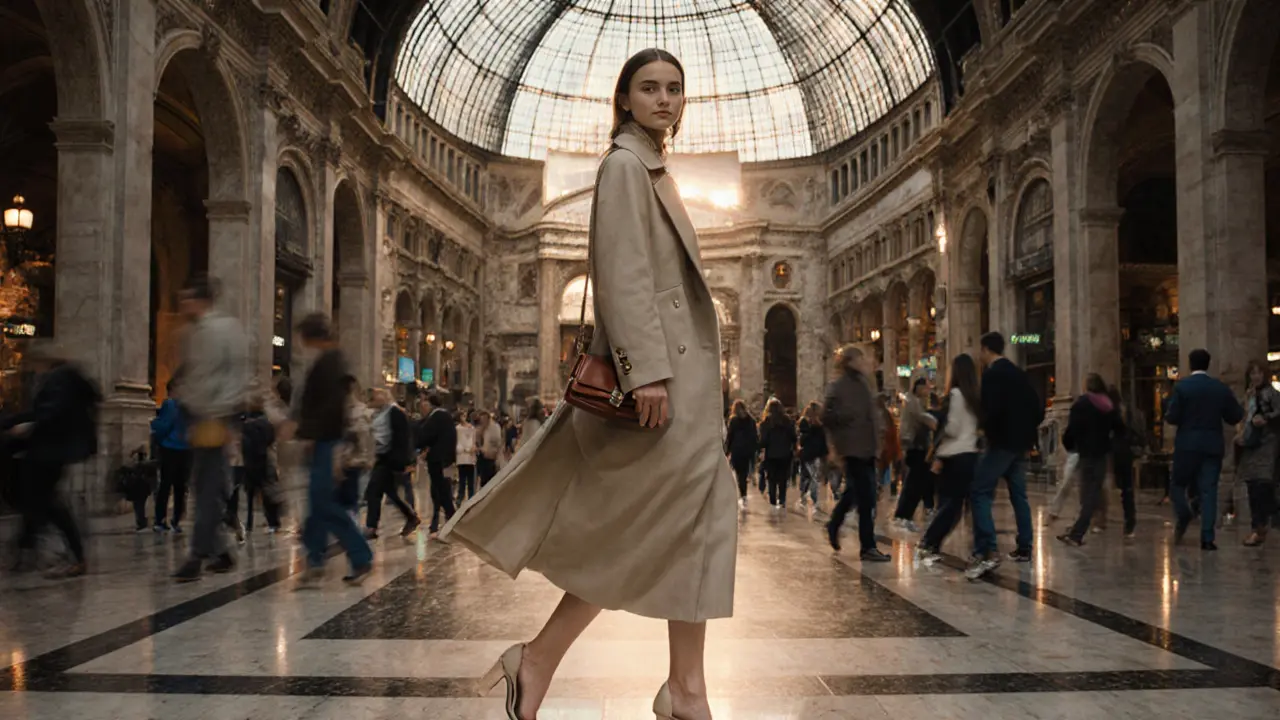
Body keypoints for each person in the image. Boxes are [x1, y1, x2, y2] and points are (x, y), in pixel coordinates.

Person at [442, 49, 735, 720]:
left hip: (684, 385)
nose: (665, 99)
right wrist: (647, 373)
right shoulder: (625, 166)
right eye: (650, 88)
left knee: (695, 521)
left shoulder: (653, 168)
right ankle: (545, 659)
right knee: (648, 527)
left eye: (674, 90)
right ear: (624, 100)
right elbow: (622, 271)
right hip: (664, 384)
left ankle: (683, 687)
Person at [171, 275, 248, 582]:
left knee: (206, 490)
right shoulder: (190, 333)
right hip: (198, 418)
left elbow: (235, 376)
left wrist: (226, 418)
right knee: (204, 486)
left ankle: (196, 556)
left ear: (201, 300)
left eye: (186, 299)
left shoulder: (226, 330)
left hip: (217, 418)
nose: (182, 305)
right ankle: (222, 551)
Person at [290, 313, 373, 586]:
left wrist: (310, 434)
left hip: (325, 441)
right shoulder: (329, 361)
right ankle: (315, 561)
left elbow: (330, 407)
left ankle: (360, 556)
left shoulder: (332, 362)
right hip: (321, 440)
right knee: (316, 505)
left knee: (324, 503)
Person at [6, 340, 100, 578]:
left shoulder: (60, 378)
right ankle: (26, 549)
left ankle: (76, 556)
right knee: (37, 499)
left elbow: (53, 411)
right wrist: (11, 422)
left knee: (48, 503)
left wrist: (31, 424)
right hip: (50, 448)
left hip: (52, 449)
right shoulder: (57, 377)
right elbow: (42, 410)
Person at [967, 331, 1042, 581]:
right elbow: (1037, 407)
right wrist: (1026, 431)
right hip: (1021, 444)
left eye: (981, 350)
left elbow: (991, 410)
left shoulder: (992, 375)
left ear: (986, 350)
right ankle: (1025, 547)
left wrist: (987, 432)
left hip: (1001, 443)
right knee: (1018, 494)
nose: (980, 355)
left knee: (979, 490)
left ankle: (986, 549)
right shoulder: (1019, 373)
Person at [1164, 348, 1244, 550]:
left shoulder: (1182, 387)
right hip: (1211, 445)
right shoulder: (1219, 388)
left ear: (1190, 364)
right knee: (1209, 490)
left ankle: (1184, 514)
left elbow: (1172, 417)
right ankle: (1207, 538)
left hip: (1187, 445)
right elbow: (1234, 415)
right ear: (1208, 364)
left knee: (1177, 485)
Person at [823, 344, 891, 562]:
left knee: (854, 493)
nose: (864, 363)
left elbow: (870, 415)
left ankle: (834, 523)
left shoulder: (863, 384)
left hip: (867, 448)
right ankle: (868, 546)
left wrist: (878, 437)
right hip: (852, 447)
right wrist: (848, 420)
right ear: (849, 361)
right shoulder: (838, 385)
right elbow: (827, 416)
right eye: (860, 359)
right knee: (867, 498)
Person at [915, 354, 982, 565]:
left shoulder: (954, 394)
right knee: (959, 506)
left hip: (953, 456)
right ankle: (936, 543)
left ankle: (928, 542)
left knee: (948, 505)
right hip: (971, 456)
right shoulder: (975, 397)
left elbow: (951, 428)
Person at [1057, 374, 1125, 546]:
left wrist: (1070, 445)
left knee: (1089, 495)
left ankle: (1076, 533)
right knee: (1092, 493)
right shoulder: (1108, 405)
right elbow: (1120, 429)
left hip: (1086, 453)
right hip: (1101, 454)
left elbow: (1071, 430)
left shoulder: (1082, 404)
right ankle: (1077, 530)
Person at [364, 388, 420, 539]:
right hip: (382, 457)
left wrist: (404, 461)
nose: (372, 402)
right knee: (390, 492)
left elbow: (403, 438)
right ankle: (411, 516)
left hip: (390, 458)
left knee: (373, 491)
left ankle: (371, 526)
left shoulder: (395, 412)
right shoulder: (378, 415)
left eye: (374, 398)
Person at [1236, 360, 1278, 546]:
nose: (1256, 377)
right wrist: (1240, 434)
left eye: (1259, 373)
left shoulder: (1272, 394)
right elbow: (1245, 417)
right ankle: (1258, 528)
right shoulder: (1249, 394)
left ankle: (1260, 526)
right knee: (1253, 486)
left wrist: (1266, 419)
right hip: (1250, 444)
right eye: (1252, 373)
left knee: (1262, 486)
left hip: (1267, 443)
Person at [894, 376, 938, 531]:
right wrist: (936, 422)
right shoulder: (912, 401)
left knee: (917, 482)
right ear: (918, 387)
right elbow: (922, 417)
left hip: (919, 445)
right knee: (914, 483)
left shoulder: (916, 401)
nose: (928, 391)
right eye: (926, 387)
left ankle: (905, 515)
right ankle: (903, 516)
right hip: (914, 446)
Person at [151, 375, 191, 533]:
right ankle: (170, 520)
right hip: (174, 448)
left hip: (175, 448)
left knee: (172, 485)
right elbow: (165, 425)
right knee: (173, 485)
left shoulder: (179, 406)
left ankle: (167, 519)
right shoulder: (172, 405)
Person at [416, 392, 457, 539]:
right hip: (443, 459)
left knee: (442, 492)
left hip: (439, 460)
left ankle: (452, 522)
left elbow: (424, 435)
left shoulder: (437, 416)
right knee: (441, 491)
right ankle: (448, 523)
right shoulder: (444, 416)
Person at [1107, 384, 1140, 538]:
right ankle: (1130, 520)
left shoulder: (1111, 412)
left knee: (1112, 485)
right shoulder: (1126, 410)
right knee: (1127, 489)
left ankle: (1098, 518)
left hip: (1115, 452)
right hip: (1126, 452)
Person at [757, 398, 796, 512]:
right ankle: (782, 500)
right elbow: (793, 437)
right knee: (783, 478)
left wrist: (759, 448)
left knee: (772, 479)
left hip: (771, 454)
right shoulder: (788, 421)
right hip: (785, 454)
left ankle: (773, 501)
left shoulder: (766, 422)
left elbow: (764, 441)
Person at [724, 400, 758, 510]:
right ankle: (744, 493)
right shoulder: (751, 420)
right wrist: (755, 449)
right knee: (744, 472)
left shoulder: (733, 420)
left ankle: (743, 495)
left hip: (737, 450)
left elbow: (730, 437)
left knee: (740, 475)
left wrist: (727, 451)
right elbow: (755, 436)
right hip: (747, 450)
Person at [796, 402, 828, 512]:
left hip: (815, 454)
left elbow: (823, 439)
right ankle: (804, 496)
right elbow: (803, 440)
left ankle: (812, 499)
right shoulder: (805, 423)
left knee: (813, 477)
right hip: (809, 454)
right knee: (809, 477)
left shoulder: (820, 425)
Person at [455, 410, 478, 505]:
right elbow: (457, 443)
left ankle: (471, 498)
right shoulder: (457, 429)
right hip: (461, 457)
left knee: (471, 480)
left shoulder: (472, 428)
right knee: (462, 480)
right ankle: (460, 497)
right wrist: (466, 449)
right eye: (461, 416)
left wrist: (473, 448)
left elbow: (473, 440)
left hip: (470, 458)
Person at [475, 410, 503, 488]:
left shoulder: (495, 427)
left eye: (484, 419)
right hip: (482, 456)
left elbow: (497, 442)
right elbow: (478, 442)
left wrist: (494, 453)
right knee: (483, 480)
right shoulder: (481, 429)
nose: (482, 421)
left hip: (491, 457)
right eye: (481, 419)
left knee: (490, 480)